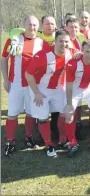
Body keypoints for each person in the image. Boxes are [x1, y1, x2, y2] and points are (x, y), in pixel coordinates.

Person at [2, 16, 49, 156]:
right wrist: (5, 78)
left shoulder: (42, 43)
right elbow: (4, 58)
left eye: (35, 25)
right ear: (24, 25)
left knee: (30, 112)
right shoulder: (13, 40)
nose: (32, 28)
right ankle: (10, 141)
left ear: (38, 26)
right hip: (15, 83)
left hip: (33, 84)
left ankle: (29, 137)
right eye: (29, 25)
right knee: (12, 113)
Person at [25, 30, 73, 158]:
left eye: (66, 41)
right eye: (61, 41)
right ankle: (48, 144)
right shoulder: (42, 55)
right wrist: (36, 92)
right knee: (43, 117)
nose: (64, 44)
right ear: (55, 42)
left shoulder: (69, 53)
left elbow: (78, 54)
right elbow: (28, 74)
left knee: (66, 111)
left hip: (57, 88)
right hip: (40, 89)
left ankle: (63, 139)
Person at [63, 38, 90, 157]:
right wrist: (69, 103)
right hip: (75, 89)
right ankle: (72, 143)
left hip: (89, 88)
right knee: (69, 113)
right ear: (81, 50)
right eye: (87, 51)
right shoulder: (72, 63)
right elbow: (69, 86)